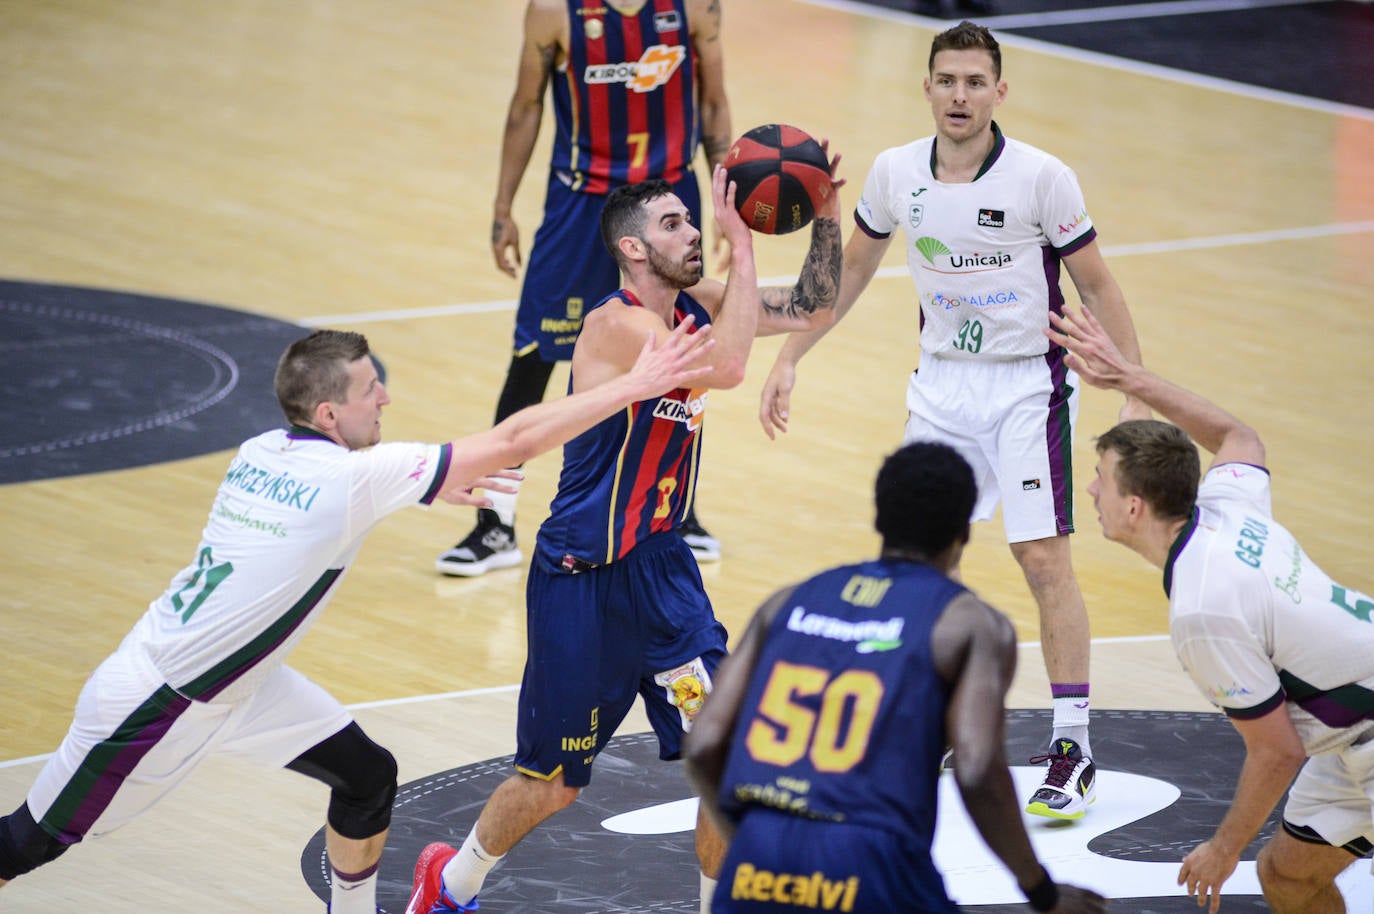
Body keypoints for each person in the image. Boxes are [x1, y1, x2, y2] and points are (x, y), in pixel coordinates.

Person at [0, 323, 715, 912]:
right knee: (25, 844)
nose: (386, 397)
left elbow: (327, 506)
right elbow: (513, 441)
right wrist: (635, 385)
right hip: (157, 703)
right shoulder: (351, 480)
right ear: (328, 415)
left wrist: (422, 490)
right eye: (371, 389)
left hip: (244, 685)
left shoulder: (262, 451)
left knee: (368, 778)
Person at [404, 160, 845, 914]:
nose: (693, 231)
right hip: (582, 578)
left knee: (727, 760)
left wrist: (824, 208)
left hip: (664, 574)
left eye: (692, 218)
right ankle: (449, 885)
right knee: (553, 786)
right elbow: (730, 366)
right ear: (634, 249)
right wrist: (743, 244)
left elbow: (812, 307)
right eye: (674, 223)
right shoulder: (617, 327)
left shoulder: (700, 305)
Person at [756, 20, 1150, 820]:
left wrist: (1132, 389)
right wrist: (790, 355)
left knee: (1041, 558)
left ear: (999, 92)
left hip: (1028, 387)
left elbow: (1098, 286)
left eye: (975, 82)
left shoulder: (1043, 178)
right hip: (940, 386)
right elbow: (850, 271)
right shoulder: (896, 171)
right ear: (927, 88)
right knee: (921, 563)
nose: (960, 95)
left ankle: (1072, 744)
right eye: (947, 81)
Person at [681, 441, 1107, 914]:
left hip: (758, 862)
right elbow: (976, 770)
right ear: (965, 530)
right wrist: (1042, 892)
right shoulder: (970, 624)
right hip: (871, 863)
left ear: (878, 519)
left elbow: (703, 745)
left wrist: (752, 839)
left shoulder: (785, 602)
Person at [1047, 303, 1374, 914]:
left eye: (1101, 479)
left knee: (1269, 863)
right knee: (1286, 877)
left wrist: (1223, 850)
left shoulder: (1203, 611)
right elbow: (1237, 438)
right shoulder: (1224, 505)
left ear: (1135, 507)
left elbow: (1278, 751)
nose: (1090, 489)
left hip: (1365, 728)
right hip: (1353, 733)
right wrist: (1131, 380)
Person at [436, 0, 735, 577]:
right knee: (533, 358)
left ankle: (679, 512)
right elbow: (525, 107)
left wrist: (723, 201)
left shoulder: (695, 7)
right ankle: (494, 525)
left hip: (667, 202)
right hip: (580, 201)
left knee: (680, 356)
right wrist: (502, 207)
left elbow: (714, 103)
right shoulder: (554, 11)